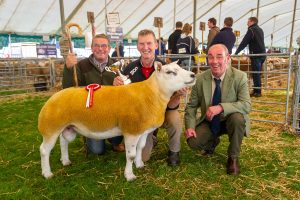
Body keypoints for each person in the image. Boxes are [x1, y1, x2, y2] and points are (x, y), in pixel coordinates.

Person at [113, 29, 188, 166]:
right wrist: (116, 85)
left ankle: (174, 152)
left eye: (149, 43)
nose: (145, 47)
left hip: (162, 112)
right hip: (139, 119)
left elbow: (172, 106)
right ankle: (150, 137)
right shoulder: (129, 69)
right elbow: (122, 99)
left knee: (175, 118)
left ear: (156, 45)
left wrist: (178, 95)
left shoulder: (167, 69)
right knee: (144, 157)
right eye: (142, 44)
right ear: (137, 46)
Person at [184, 44, 251, 175]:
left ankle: (233, 157)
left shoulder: (239, 77)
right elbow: (191, 106)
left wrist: (221, 107)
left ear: (228, 58)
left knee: (237, 119)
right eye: (210, 57)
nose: (214, 61)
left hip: (230, 120)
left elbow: (246, 104)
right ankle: (212, 141)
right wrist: (190, 126)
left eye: (219, 57)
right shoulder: (200, 79)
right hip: (210, 121)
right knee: (193, 142)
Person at [62, 33, 125, 155]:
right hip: (92, 114)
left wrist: (121, 85)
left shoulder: (116, 65)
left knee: (123, 121)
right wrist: (68, 69)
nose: (100, 49)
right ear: (91, 48)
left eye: (104, 46)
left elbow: (126, 89)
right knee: (97, 151)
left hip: (112, 112)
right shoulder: (81, 65)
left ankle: (115, 141)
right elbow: (69, 89)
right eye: (96, 45)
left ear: (109, 48)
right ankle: (88, 137)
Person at [235, 17, 266, 97]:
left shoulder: (251, 30)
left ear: (252, 21)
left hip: (256, 55)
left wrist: (236, 52)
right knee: (256, 73)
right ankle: (256, 90)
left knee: (256, 73)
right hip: (262, 54)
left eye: (248, 21)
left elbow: (244, 42)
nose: (247, 23)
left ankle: (258, 92)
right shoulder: (260, 29)